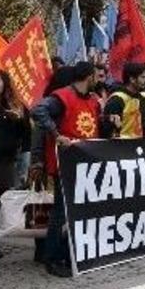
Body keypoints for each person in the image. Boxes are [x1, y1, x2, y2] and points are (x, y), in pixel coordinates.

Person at [30, 61, 100, 277]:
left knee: (77, 211)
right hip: (65, 163)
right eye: (96, 75)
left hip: (84, 164)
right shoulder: (61, 97)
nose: (98, 79)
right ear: (89, 77)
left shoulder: (92, 101)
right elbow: (38, 110)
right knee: (61, 213)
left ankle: (69, 253)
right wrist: (56, 133)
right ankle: (52, 258)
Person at [0, 69, 31, 259]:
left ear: (5, 84)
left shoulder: (16, 106)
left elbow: (26, 137)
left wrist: (19, 120)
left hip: (5, 162)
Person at [101, 62, 145, 138]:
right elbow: (107, 129)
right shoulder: (117, 99)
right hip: (121, 146)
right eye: (143, 77)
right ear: (132, 79)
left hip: (139, 145)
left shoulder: (142, 100)